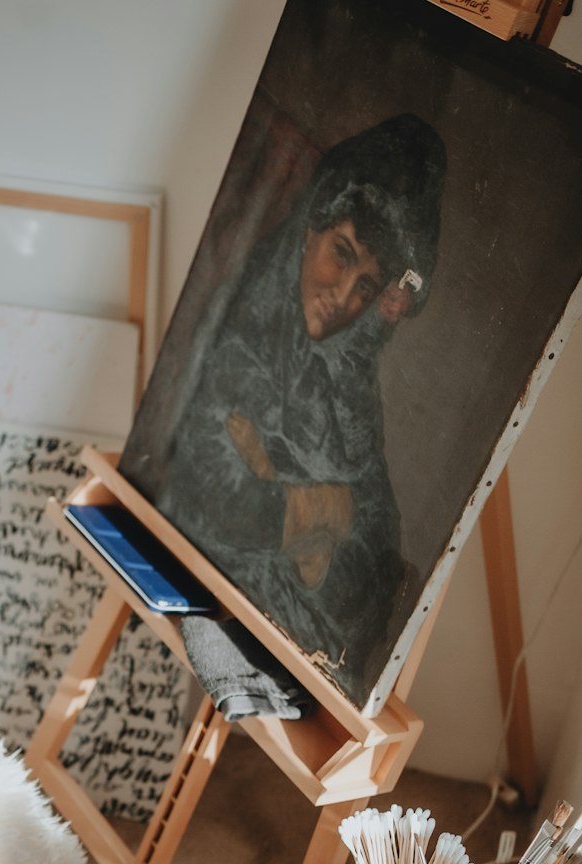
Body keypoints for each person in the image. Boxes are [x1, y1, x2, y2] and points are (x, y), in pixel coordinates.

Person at [134, 113, 447, 706]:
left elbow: (378, 555)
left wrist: (315, 552)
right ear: (311, 230)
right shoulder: (246, 329)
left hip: (298, 643)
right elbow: (215, 492)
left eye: (365, 286)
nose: (341, 295)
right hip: (202, 582)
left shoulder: (348, 381)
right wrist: (321, 511)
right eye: (341, 254)